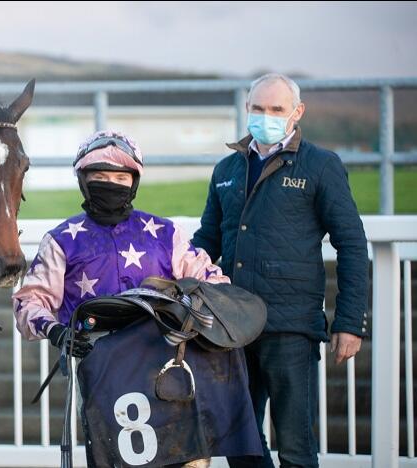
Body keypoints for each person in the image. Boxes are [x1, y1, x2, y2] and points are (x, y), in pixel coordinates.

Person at [13, 130, 262, 467]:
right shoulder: (60, 241)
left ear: (134, 181)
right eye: (99, 176)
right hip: (106, 375)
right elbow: (29, 302)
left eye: (120, 176)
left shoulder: (165, 233)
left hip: (169, 368)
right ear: (83, 180)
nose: (110, 183)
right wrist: (57, 331)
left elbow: (213, 283)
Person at [192, 73, 369, 468]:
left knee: (295, 448)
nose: (266, 116)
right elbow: (206, 242)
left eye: (276, 109)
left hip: (291, 329)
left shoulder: (321, 166)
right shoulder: (227, 169)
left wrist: (350, 321)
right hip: (232, 329)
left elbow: (352, 243)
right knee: (240, 446)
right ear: (247, 109)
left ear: (297, 113)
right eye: (258, 108)